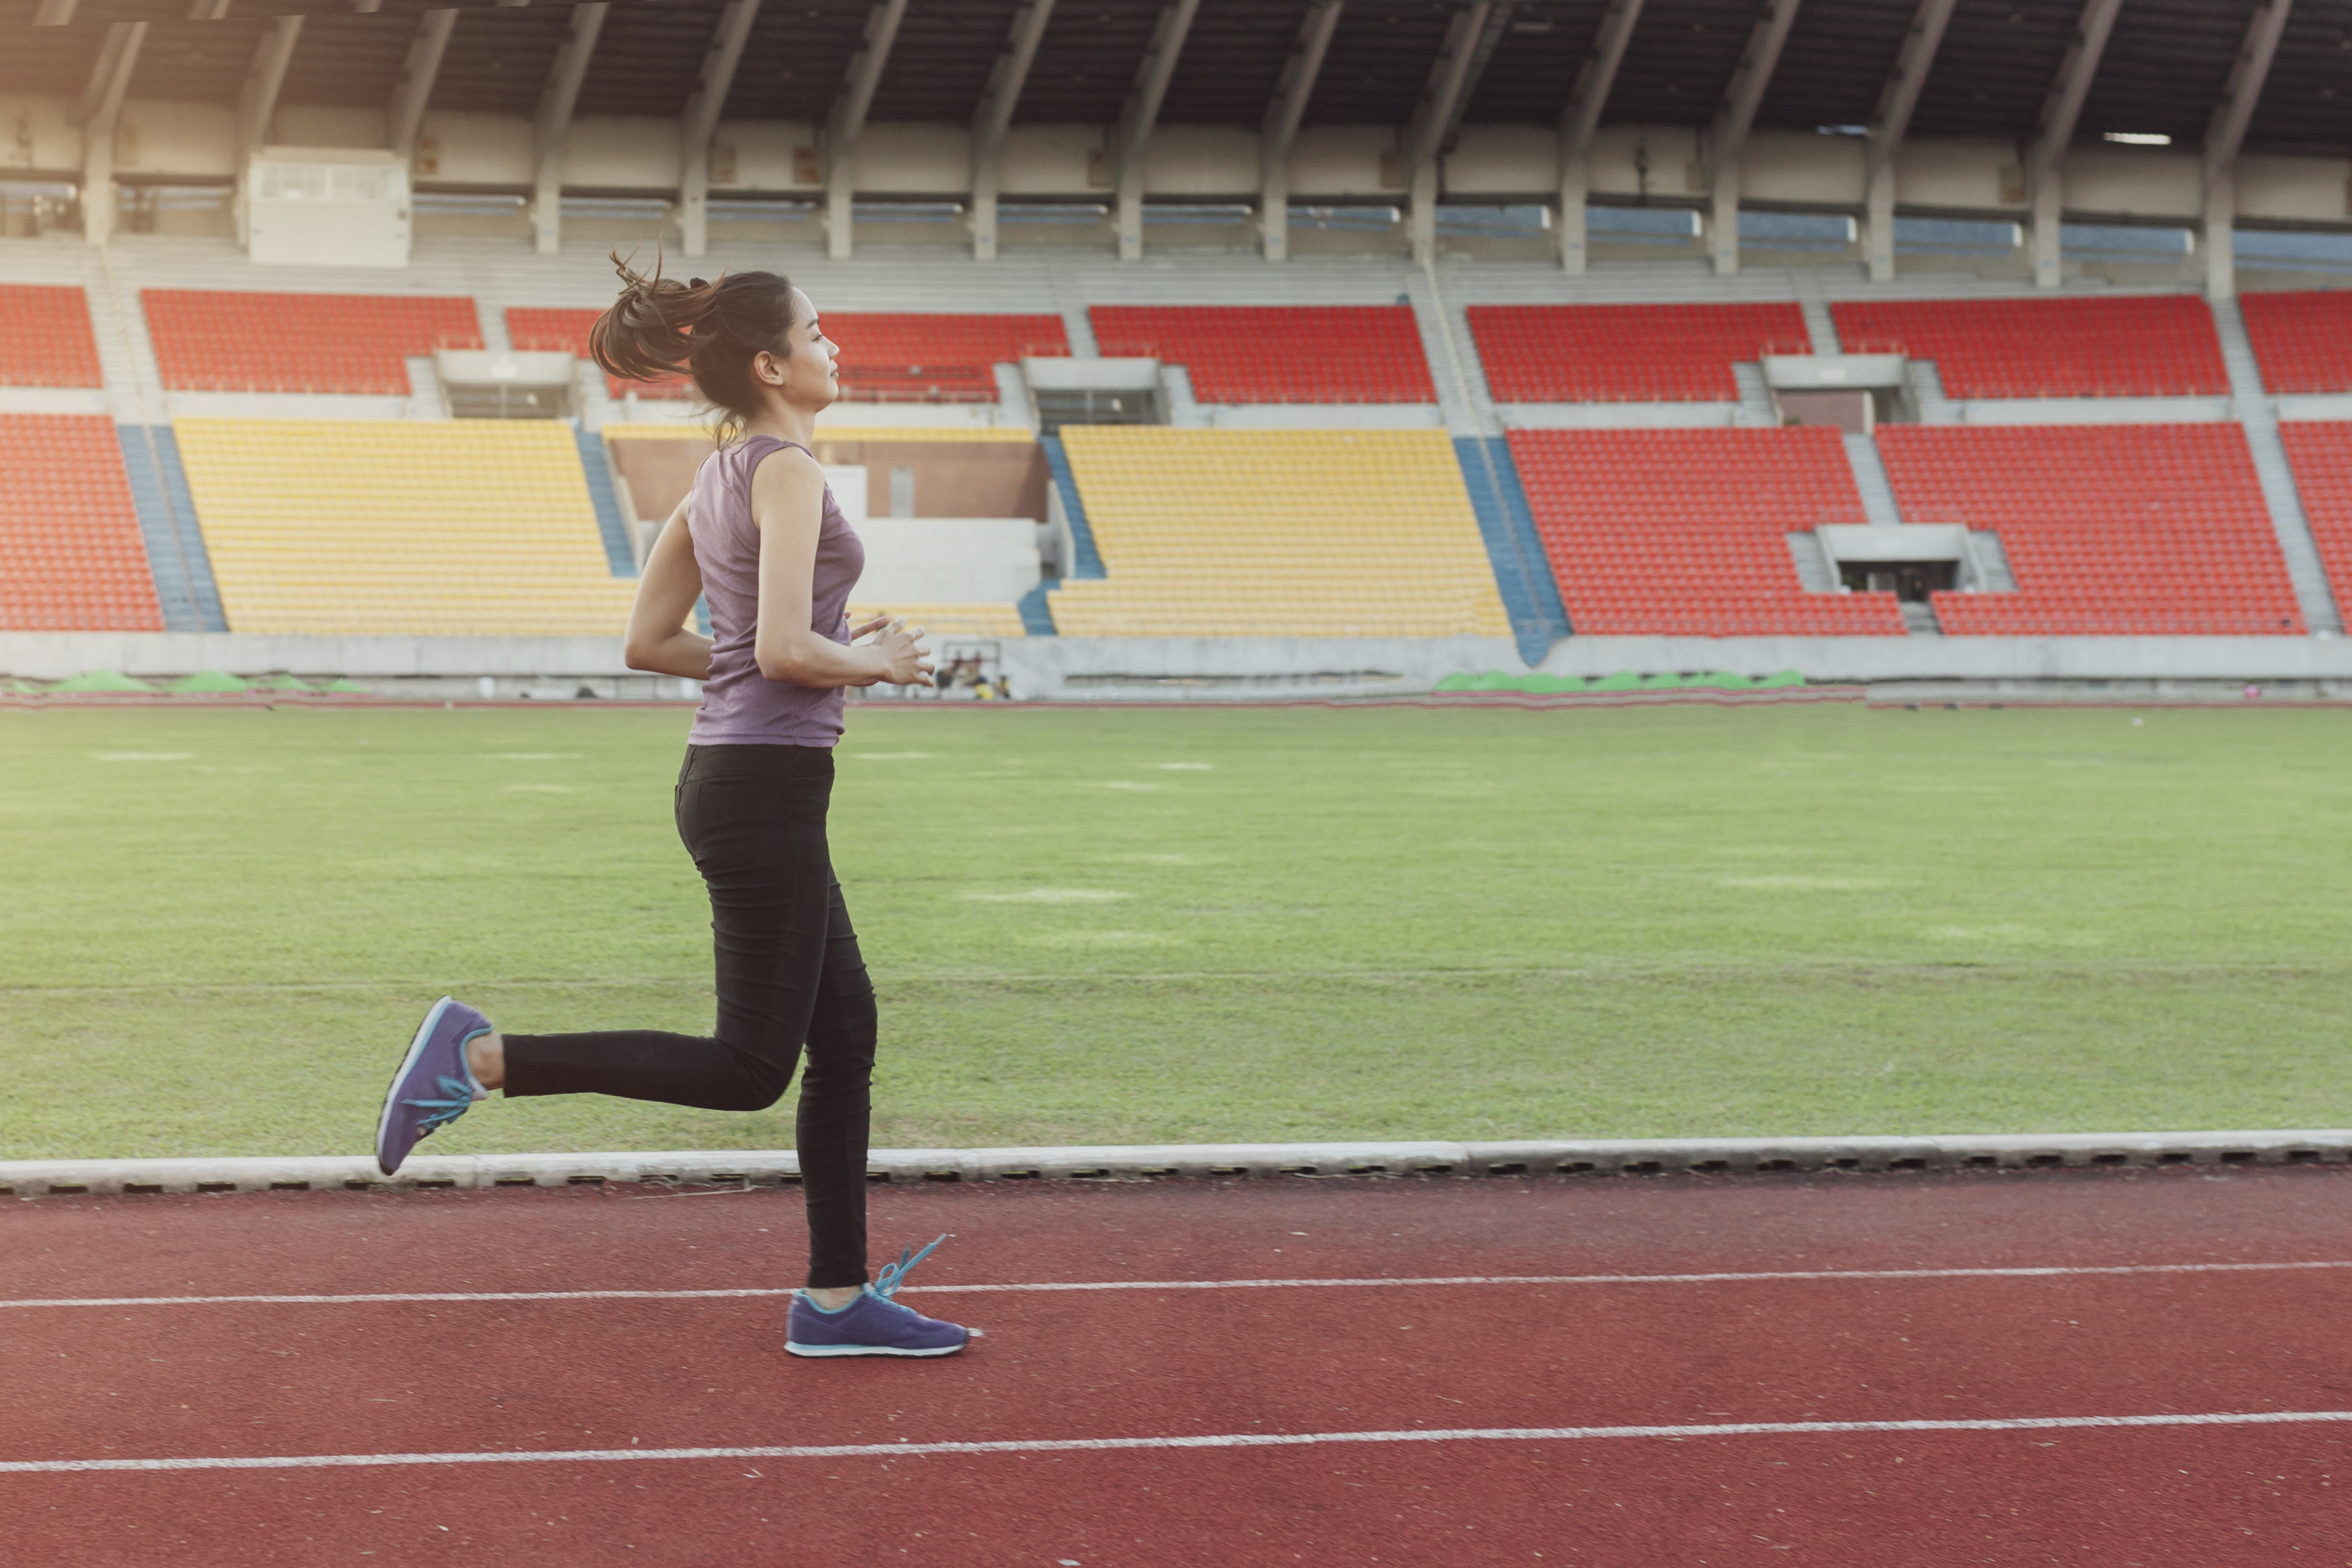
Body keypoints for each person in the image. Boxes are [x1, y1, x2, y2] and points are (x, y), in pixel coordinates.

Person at [371, 255, 975, 1360]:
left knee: (846, 1033)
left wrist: (804, 653)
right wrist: (875, 659)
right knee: (752, 1068)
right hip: (763, 786)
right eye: (818, 332)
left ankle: (835, 1300)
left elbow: (651, 643)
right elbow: (783, 650)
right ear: (771, 365)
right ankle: (484, 1057)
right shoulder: (788, 471)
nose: (834, 347)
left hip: (739, 780)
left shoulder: (715, 479)